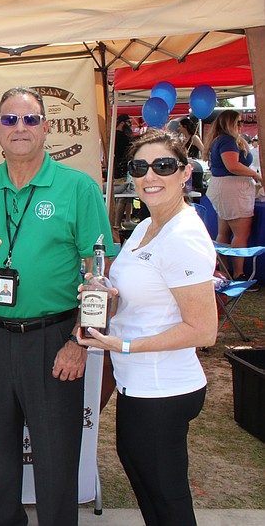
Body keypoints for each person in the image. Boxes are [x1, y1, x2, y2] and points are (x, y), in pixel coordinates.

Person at [0, 87, 114, 526]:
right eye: (9, 120)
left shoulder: (77, 188)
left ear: (46, 127)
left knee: (55, 459)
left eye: (29, 120)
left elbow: (100, 273)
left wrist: (80, 342)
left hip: (54, 340)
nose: (19, 128)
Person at [78, 129, 217, 526]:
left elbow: (203, 330)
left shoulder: (184, 236)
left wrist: (121, 345)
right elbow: (144, 295)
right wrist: (104, 293)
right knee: (148, 488)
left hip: (164, 387)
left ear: (184, 172)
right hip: (138, 385)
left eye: (163, 165)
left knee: (168, 501)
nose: (150, 175)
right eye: (140, 167)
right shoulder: (147, 225)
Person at [204, 109, 262, 281]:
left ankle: (225, 271)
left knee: (223, 231)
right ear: (230, 124)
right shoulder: (228, 141)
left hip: (224, 188)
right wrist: (256, 175)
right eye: (238, 122)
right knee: (240, 233)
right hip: (233, 189)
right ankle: (239, 273)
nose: (241, 125)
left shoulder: (219, 140)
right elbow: (233, 165)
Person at [113, 113, 135, 230]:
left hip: (120, 168)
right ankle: (117, 223)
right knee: (122, 196)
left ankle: (126, 220)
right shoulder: (121, 136)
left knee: (127, 195)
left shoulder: (113, 136)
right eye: (128, 123)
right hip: (121, 170)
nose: (130, 126)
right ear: (122, 123)